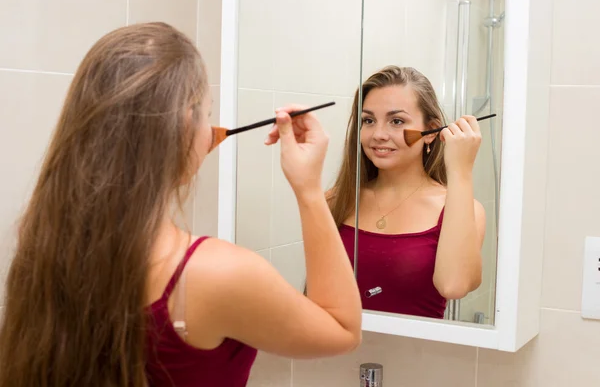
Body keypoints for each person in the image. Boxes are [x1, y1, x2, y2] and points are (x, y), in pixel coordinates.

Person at [0, 22, 362, 387]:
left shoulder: (42, 241)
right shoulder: (217, 274)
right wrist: (309, 190)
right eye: (206, 112)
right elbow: (343, 329)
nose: (212, 129)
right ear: (182, 125)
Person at [325, 65, 486, 319]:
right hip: (337, 356)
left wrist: (461, 171)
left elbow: (453, 286)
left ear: (431, 132)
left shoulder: (460, 210)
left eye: (396, 121)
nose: (378, 134)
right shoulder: (335, 200)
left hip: (417, 356)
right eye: (368, 121)